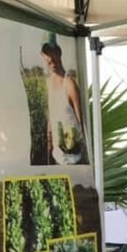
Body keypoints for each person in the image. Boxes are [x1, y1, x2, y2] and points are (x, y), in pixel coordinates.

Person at [41, 34, 87, 165]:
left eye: (53, 52)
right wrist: (49, 144)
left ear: (59, 52)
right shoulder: (49, 83)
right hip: (57, 156)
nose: (51, 58)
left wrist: (82, 149)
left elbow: (82, 123)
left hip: (73, 159)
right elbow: (52, 115)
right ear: (43, 56)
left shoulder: (69, 84)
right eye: (47, 54)